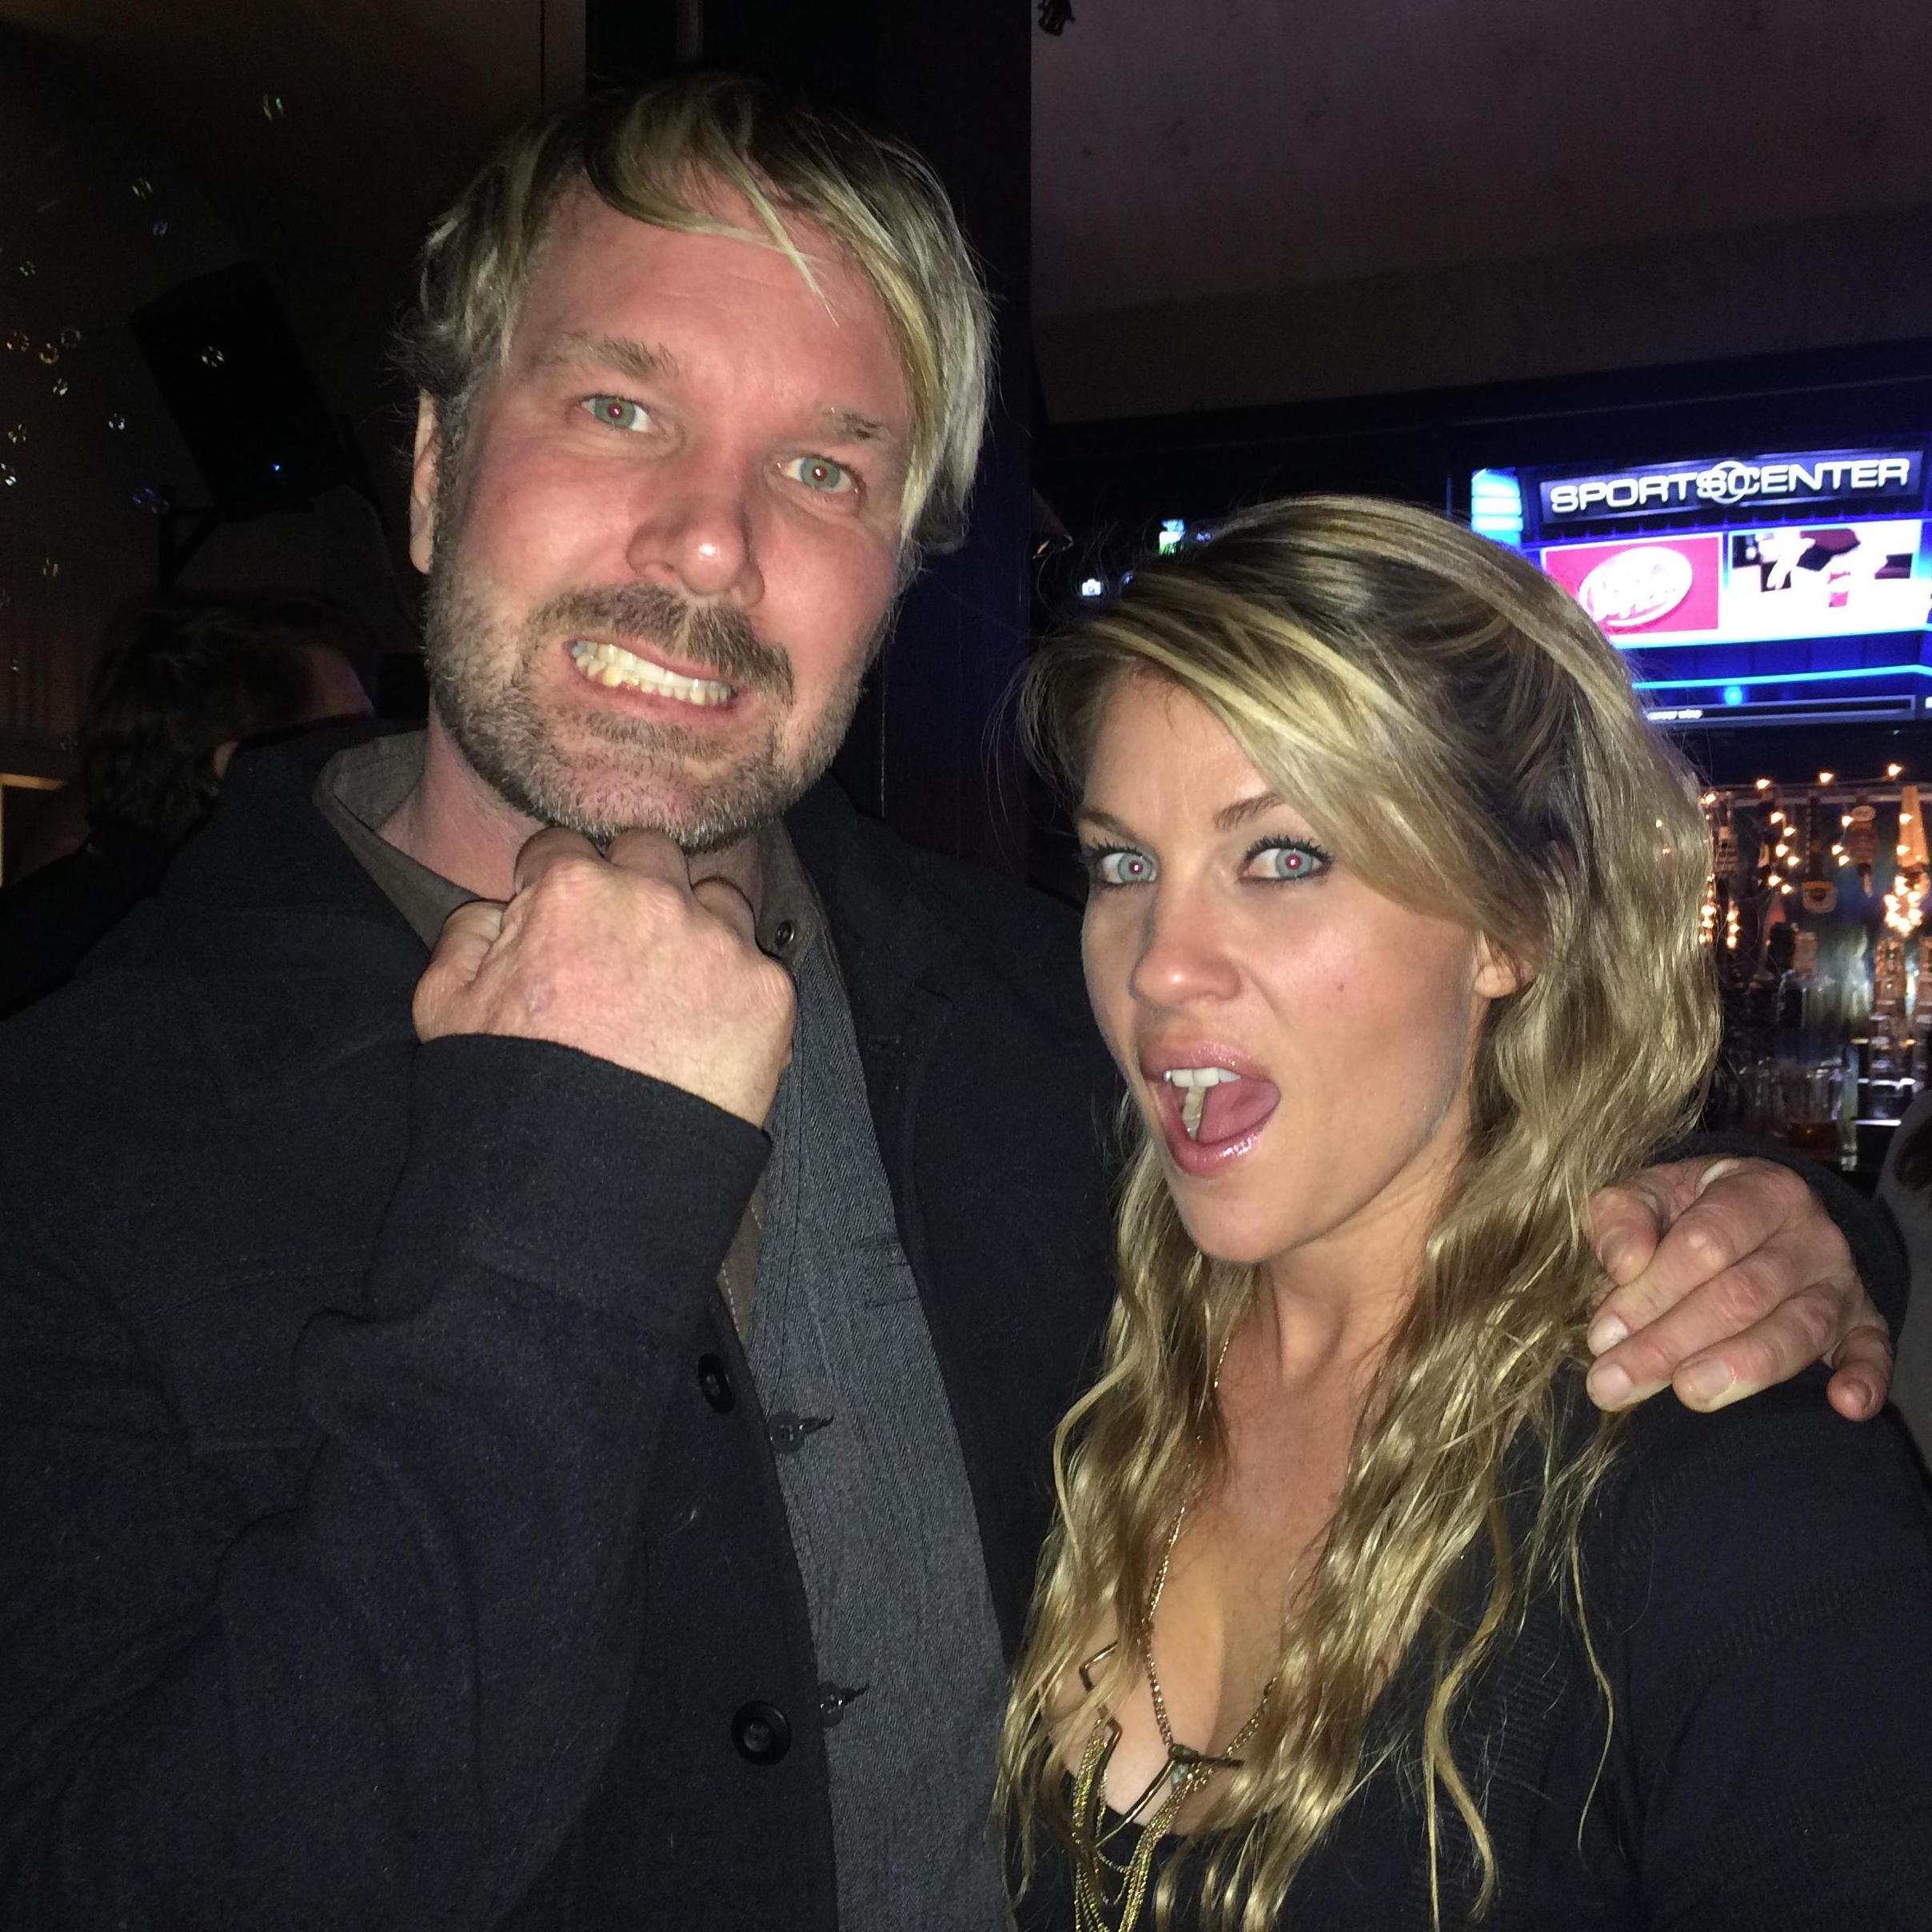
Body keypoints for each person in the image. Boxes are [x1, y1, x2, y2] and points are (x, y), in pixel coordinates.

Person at [0, 78, 1902, 1932]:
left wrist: (1758, 1225)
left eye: (823, 468)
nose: (711, 543)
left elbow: (1419, 1137)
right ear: (432, 470)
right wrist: (564, 1189)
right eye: (619, 405)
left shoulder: (1034, 1007)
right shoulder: (74, 1134)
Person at [999, 497, 1932, 1931]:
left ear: (1514, 921)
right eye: (1124, 864)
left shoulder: (1727, 1480)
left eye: (1282, 855)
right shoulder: (1078, 1339)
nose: (1160, 967)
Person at [0, 589, 374, 1016]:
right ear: (237, 770)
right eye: (349, 744)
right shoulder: (219, 974)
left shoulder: (55, 926)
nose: (380, 765)